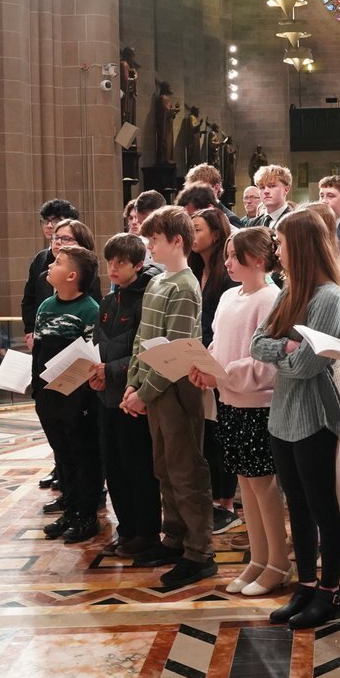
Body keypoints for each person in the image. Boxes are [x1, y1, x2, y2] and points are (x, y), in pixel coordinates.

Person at [250, 209, 340, 628]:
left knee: (321, 505)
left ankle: (331, 592)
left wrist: (284, 353)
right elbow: (257, 343)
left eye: (281, 243)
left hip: (314, 412)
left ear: (301, 245)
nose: (277, 251)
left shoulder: (329, 296)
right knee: (295, 501)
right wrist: (286, 348)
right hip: (283, 412)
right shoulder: (290, 289)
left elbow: (309, 365)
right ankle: (307, 585)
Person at [123, 206, 217, 589]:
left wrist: (144, 392)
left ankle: (199, 552)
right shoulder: (157, 281)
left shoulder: (184, 286)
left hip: (176, 388)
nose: (149, 247)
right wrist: (133, 383)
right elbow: (142, 338)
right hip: (151, 386)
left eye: (154, 240)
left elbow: (176, 352)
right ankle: (174, 537)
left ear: (176, 241)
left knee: (185, 469)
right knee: (163, 466)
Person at [192, 228, 287, 595]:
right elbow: (218, 343)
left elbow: (267, 363)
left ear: (258, 260)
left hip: (258, 403)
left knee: (264, 485)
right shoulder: (230, 296)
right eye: (227, 255)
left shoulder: (270, 298)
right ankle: (258, 559)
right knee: (245, 484)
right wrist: (205, 367)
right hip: (230, 400)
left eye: (235, 256)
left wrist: (222, 374)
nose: (228, 262)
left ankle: (278, 562)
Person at [90, 233, 163, 560]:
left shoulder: (146, 298)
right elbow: (98, 344)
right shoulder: (108, 301)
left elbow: (144, 351)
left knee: (138, 467)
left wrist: (111, 370)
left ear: (138, 264)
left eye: (121, 262)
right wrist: (96, 374)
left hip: (132, 397)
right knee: (114, 468)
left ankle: (146, 533)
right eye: (110, 261)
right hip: (107, 396)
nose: (113, 268)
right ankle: (127, 529)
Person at [34, 244, 103, 545]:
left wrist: (83, 398)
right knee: (62, 454)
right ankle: (70, 509)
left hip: (77, 396)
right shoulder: (45, 306)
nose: (51, 265)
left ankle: (86, 515)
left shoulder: (89, 310)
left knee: (82, 454)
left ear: (72, 276)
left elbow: (91, 357)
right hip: (48, 393)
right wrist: (36, 390)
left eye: (58, 262)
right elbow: (38, 350)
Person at [188, 206, 239, 533]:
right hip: (199, 357)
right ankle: (215, 497)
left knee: (223, 433)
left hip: (219, 359)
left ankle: (227, 502)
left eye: (198, 229)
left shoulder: (226, 275)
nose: (192, 235)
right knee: (208, 431)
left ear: (216, 234)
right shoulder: (196, 270)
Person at [22, 199, 78, 347]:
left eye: (55, 221)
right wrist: (30, 330)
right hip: (41, 333)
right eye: (46, 221)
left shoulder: (80, 260)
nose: (49, 225)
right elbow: (29, 298)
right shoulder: (40, 259)